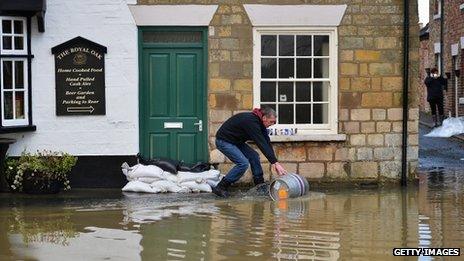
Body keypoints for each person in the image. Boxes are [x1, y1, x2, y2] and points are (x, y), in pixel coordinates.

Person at [213, 107, 287, 197]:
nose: (272, 124)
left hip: (236, 142)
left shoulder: (260, 123)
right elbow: (261, 143)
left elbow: (266, 142)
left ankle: (259, 186)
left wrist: (275, 162)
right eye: (271, 121)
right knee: (243, 163)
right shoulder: (251, 122)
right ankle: (221, 187)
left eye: (274, 122)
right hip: (224, 141)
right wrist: (274, 162)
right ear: (264, 118)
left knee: (254, 156)